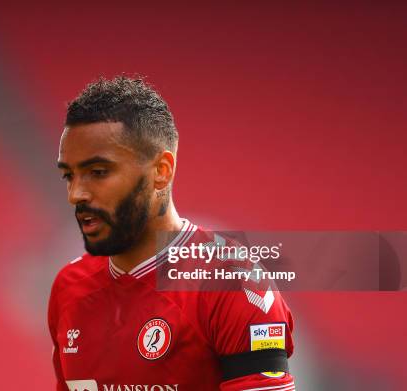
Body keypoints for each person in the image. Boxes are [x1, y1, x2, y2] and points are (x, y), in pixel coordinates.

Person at [49, 76, 295, 391]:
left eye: (98, 172)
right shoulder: (69, 288)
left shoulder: (234, 280)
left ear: (161, 172)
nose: (76, 194)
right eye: (69, 176)